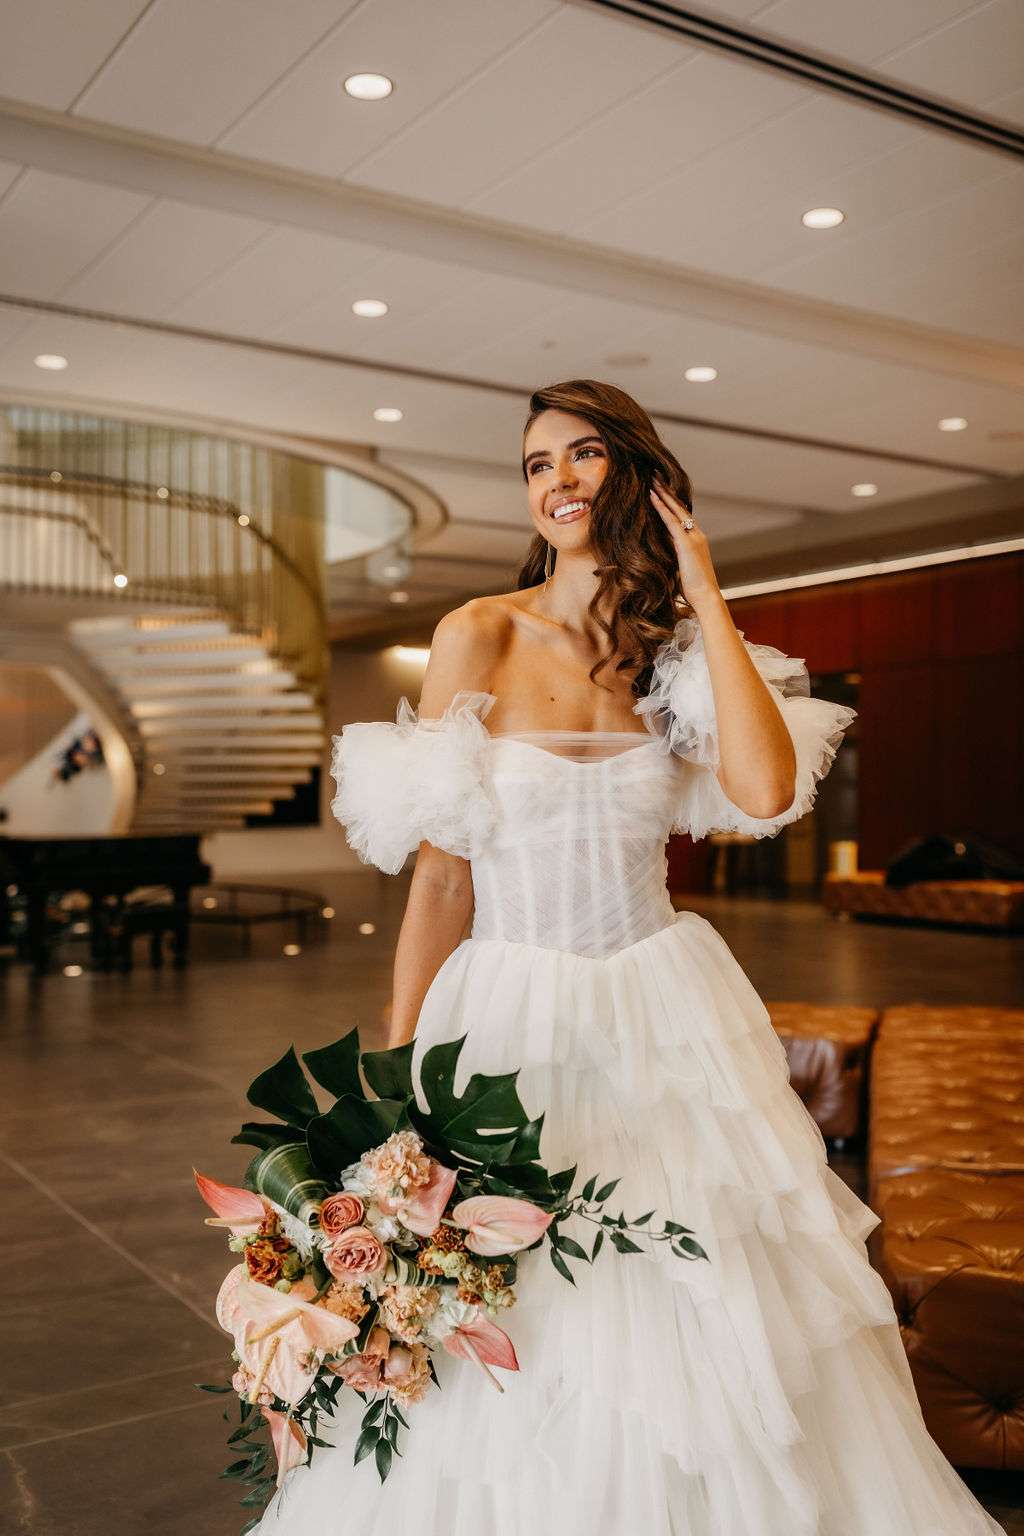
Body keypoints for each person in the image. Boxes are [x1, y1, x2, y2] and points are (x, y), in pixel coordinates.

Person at [260, 380, 1004, 1534]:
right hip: (509, 1003)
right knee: (534, 1287)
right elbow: (443, 876)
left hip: (664, 1005)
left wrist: (703, 592)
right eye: (533, 464)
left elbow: (762, 789)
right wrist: (397, 1080)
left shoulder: (675, 658)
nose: (553, 480)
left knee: (694, 1287)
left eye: (582, 454)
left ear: (641, 476)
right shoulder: (479, 632)